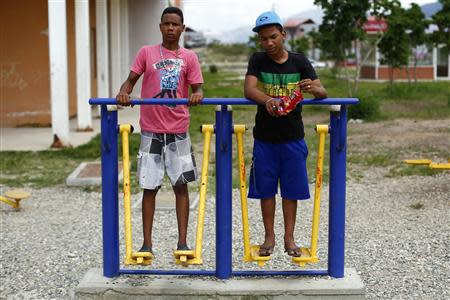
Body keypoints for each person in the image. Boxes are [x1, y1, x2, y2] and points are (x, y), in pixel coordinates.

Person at [116, 6, 204, 255]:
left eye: (175, 24)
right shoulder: (147, 52)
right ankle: (147, 243)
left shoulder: (189, 58)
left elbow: (197, 88)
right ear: (160, 27)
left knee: (181, 185)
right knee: (149, 186)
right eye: (166, 24)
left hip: (178, 130)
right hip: (151, 130)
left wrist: (197, 95)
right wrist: (124, 92)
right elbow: (130, 81)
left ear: (182, 28)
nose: (170, 28)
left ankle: (183, 242)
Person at [244, 11, 327, 257]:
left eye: (272, 37)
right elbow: (249, 89)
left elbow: (322, 91)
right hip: (265, 138)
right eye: (263, 39)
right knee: (266, 190)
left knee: (291, 191)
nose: (268, 43)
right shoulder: (258, 60)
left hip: (293, 138)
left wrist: (313, 88)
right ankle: (268, 237)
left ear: (283, 35)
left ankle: (289, 238)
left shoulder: (300, 62)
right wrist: (268, 99)